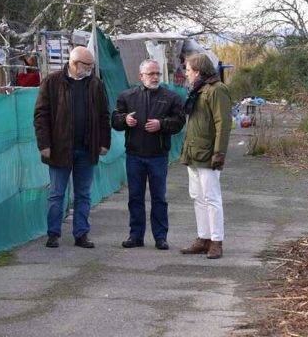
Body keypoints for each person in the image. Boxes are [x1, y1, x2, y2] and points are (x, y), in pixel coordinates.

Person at [33, 46, 111, 249]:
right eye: (87, 65)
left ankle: (81, 234)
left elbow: (104, 115)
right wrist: (44, 144)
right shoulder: (52, 82)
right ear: (74, 63)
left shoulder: (96, 84)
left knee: (83, 194)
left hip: (87, 148)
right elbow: (41, 115)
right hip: (59, 148)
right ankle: (53, 234)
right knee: (57, 193)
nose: (90, 69)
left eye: (92, 65)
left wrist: (104, 142)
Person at [112, 60, 185, 250]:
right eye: (150, 73)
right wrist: (125, 119)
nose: (155, 77)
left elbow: (179, 122)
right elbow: (115, 120)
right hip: (134, 155)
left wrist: (161, 124)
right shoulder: (127, 96)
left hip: (158, 156)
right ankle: (135, 236)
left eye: (157, 73)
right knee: (135, 197)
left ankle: (161, 237)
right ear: (141, 76)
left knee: (159, 197)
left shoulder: (171, 97)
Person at [179, 53, 231, 259]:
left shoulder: (217, 90)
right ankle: (203, 238)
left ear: (198, 71)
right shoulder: (198, 90)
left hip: (208, 154)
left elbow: (223, 124)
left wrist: (219, 153)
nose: (186, 74)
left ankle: (216, 241)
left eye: (188, 70)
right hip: (193, 153)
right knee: (198, 197)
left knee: (212, 198)